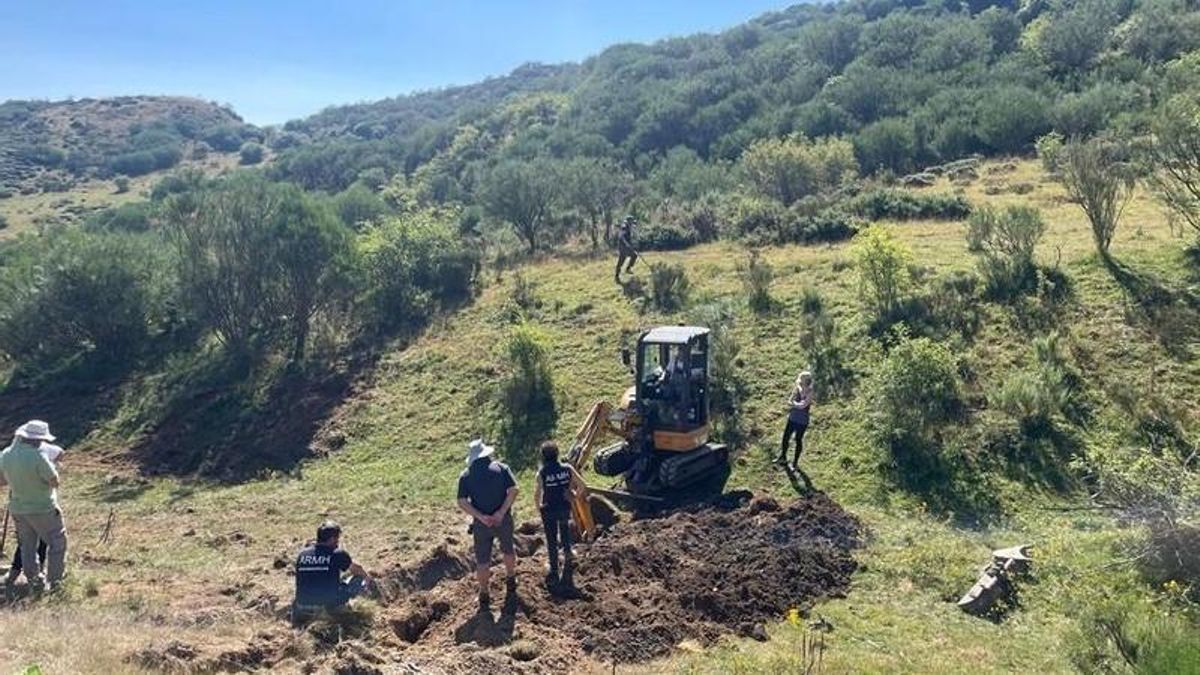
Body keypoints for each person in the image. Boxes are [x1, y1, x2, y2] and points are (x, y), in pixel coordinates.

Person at [0, 420, 68, 591]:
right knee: (57, 542)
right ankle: (55, 582)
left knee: (27, 545)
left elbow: (1, 480)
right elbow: (54, 482)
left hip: (18, 508)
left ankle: (34, 580)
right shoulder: (38, 456)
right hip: (43, 507)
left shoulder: (6, 454)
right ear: (38, 440)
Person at [457, 439, 518, 608]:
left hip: (481, 524)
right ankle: (511, 579)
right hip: (503, 519)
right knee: (508, 549)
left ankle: (484, 592)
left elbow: (461, 501)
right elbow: (514, 490)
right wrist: (501, 512)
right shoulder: (501, 468)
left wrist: (480, 516)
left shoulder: (466, 475)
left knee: (482, 560)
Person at [292, 520, 370, 621]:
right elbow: (357, 569)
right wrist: (367, 578)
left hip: (302, 605)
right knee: (358, 579)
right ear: (333, 538)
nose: (338, 542)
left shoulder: (302, 555)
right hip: (328, 606)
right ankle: (351, 610)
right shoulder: (337, 554)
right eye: (337, 539)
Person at [533, 441, 586, 589]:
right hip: (564, 507)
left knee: (551, 539)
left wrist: (538, 509)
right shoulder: (567, 469)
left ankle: (554, 569)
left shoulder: (542, 473)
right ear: (557, 454)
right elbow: (583, 486)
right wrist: (574, 495)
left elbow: (537, 494)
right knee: (564, 530)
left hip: (548, 509)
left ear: (543, 457)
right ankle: (568, 554)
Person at [776, 372, 813, 472]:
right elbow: (790, 400)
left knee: (798, 440)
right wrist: (794, 403)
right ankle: (783, 457)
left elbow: (803, 405)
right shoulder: (797, 388)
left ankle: (795, 463)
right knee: (785, 437)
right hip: (792, 417)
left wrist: (794, 404)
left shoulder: (810, 392)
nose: (800, 382)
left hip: (802, 420)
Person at [615, 215, 638, 282]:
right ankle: (619, 275)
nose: (632, 224)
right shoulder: (624, 228)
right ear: (628, 222)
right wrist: (627, 244)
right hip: (623, 247)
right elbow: (621, 237)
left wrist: (631, 244)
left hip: (625, 247)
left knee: (632, 256)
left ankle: (625, 270)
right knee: (622, 260)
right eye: (631, 222)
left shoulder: (627, 227)